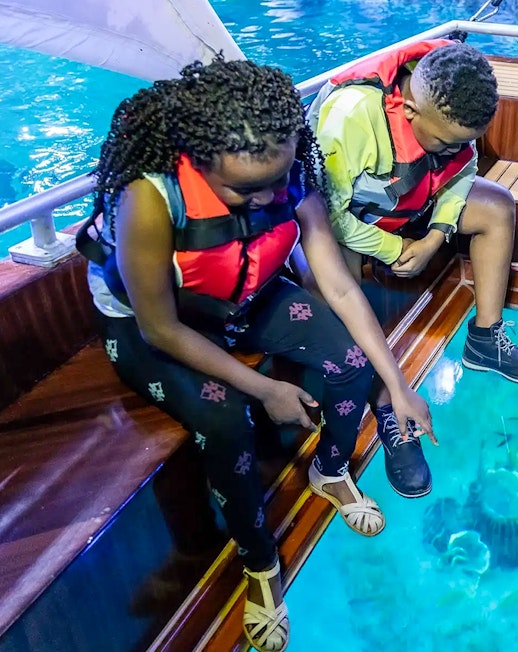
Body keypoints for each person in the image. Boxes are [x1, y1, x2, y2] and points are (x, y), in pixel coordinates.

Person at [77, 59, 434, 652]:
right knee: (223, 417)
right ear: (197, 158)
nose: (271, 196)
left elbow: (339, 287)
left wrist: (397, 388)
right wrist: (264, 390)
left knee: (351, 361)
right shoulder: (148, 196)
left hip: (243, 295)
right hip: (163, 322)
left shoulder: (290, 171)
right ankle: (260, 563)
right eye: (247, 190)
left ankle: (330, 471)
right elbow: (161, 328)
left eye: (280, 178)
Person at [304, 40, 518, 498]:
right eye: (444, 140)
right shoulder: (352, 116)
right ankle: (386, 406)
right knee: (338, 268)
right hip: (354, 221)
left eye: (461, 138)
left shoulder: (454, 104)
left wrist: (435, 236)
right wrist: (395, 247)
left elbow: (463, 168)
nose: (454, 146)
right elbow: (332, 216)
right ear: (410, 108)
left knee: (496, 206)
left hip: (410, 203)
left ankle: (485, 341)